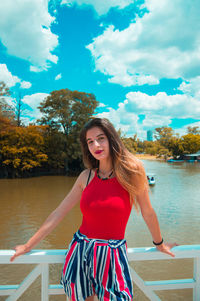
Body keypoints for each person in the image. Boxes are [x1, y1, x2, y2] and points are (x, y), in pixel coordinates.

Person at [10, 118, 177, 301]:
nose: (95, 145)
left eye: (100, 138)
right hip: (81, 249)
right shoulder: (86, 177)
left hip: (113, 253)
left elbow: (148, 212)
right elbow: (59, 212)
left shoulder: (132, 173)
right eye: (90, 142)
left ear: (112, 139)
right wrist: (28, 245)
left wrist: (159, 244)